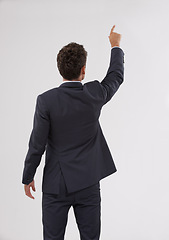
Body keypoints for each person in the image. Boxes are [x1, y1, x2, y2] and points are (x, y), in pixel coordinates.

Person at [22, 25, 125, 240]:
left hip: (55, 185)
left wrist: (28, 176)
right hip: (88, 183)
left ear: (60, 70)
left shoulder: (46, 101)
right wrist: (115, 46)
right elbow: (115, 76)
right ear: (84, 70)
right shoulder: (94, 94)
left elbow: (37, 144)